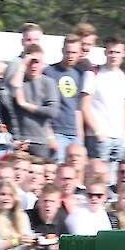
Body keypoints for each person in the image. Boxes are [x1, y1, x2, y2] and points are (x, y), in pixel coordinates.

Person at [81, 36, 125, 168]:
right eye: (111, 52)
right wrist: (98, 133)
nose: (114, 56)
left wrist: (123, 134)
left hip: (118, 138)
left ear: (124, 54)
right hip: (97, 137)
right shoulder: (93, 73)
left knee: (114, 180)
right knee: (97, 177)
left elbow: (124, 108)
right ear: (105, 52)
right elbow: (84, 106)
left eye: (117, 52)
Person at [11, 44, 58, 159]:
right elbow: (10, 93)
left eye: (37, 62)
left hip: (40, 140)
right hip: (20, 140)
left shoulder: (48, 82)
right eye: (31, 62)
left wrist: (26, 105)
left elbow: (52, 112)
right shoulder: (18, 80)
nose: (34, 65)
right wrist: (22, 67)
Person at [43, 34, 85, 162]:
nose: (70, 55)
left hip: (74, 133)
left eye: (74, 52)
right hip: (56, 131)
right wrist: (49, 136)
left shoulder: (80, 74)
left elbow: (78, 108)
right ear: (62, 51)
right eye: (68, 52)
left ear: (79, 53)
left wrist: (80, 136)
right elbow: (43, 106)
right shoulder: (49, 72)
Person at [4, 23, 42, 89]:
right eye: (28, 40)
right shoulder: (14, 64)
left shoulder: (43, 64)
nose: (32, 43)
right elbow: (7, 89)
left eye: (36, 40)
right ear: (22, 42)